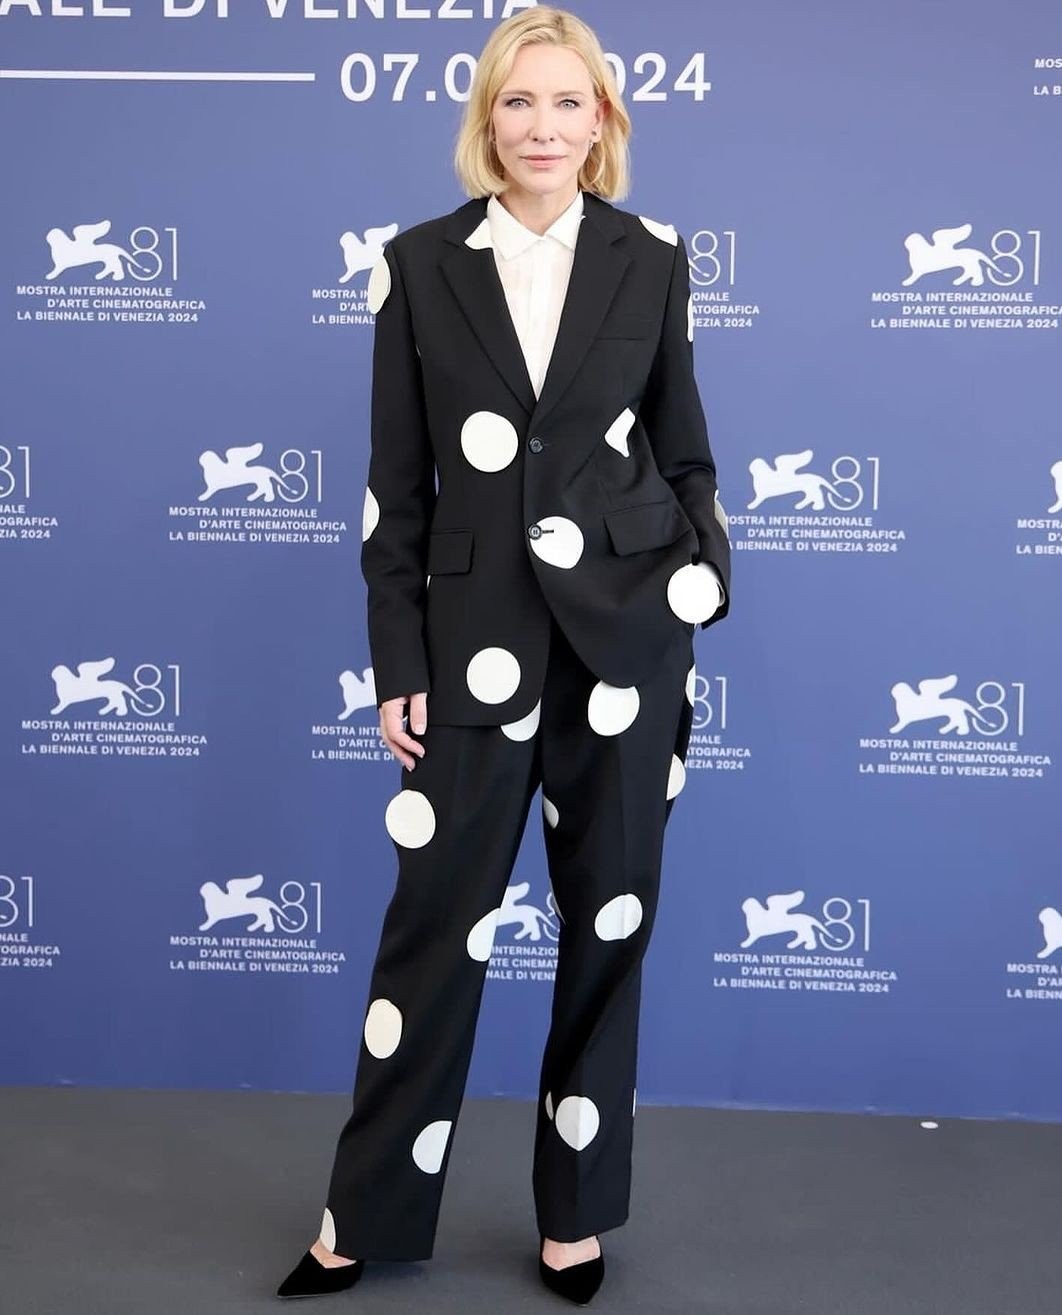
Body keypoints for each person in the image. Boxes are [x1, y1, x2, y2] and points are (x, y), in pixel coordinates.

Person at [276, 3, 731, 1304]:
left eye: (568, 103)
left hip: (628, 648)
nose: (543, 125)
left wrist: (699, 578)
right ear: (489, 119)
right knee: (432, 936)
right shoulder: (420, 265)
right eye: (519, 102)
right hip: (471, 651)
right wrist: (396, 661)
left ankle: (575, 1213)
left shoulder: (651, 258)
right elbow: (394, 492)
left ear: (604, 124)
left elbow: (686, 451)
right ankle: (360, 1212)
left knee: (609, 926)